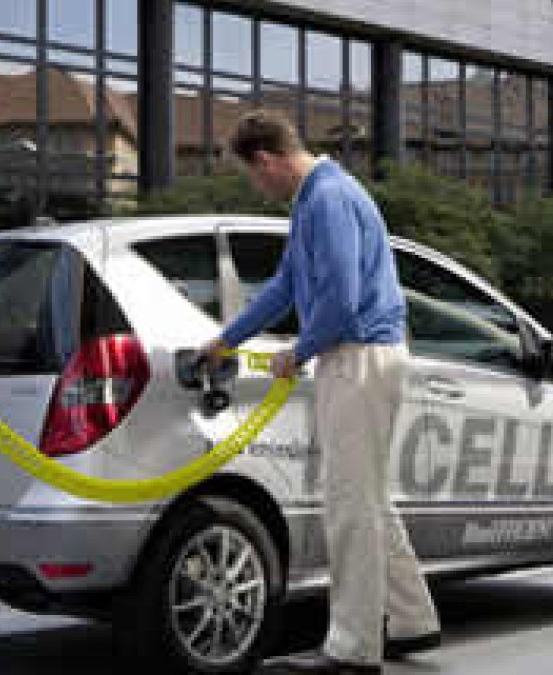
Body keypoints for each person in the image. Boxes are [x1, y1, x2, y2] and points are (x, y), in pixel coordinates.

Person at [200, 112, 440, 674]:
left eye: (254, 178)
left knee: (348, 504)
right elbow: (284, 287)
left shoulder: (328, 199)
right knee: (369, 498)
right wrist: (224, 340)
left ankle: (353, 650)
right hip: (359, 355)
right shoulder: (312, 201)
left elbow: (343, 300)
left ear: (267, 160)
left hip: (356, 357)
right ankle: (411, 619)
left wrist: (298, 352)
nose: (258, 189)